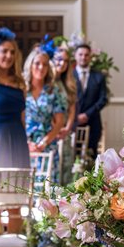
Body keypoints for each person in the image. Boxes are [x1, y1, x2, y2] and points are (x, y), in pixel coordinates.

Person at [0, 27, 30, 169]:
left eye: (12, 52)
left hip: (18, 137)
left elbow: (23, 117)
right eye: (4, 51)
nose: (9, 56)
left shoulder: (19, 82)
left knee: (19, 183)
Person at [24, 46, 66, 182]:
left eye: (45, 65)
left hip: (47, 145)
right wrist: (28, 143)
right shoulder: (21, 90)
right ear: (30, 65)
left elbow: (59, 122)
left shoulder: (53, 91)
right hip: (25, 145)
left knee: (47, 191)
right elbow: (18, 118)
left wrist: (43, 143)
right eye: (37, 63)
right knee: (25, 188)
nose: (41, 68)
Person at [74, 43, 108, 158]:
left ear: (90, 57)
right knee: (72, 157)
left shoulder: (99, 76)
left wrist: (87, 114)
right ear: (75, 56)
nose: (83, 57)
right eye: (80, 54)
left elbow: (103, 99)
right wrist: (76, 116)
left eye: (86, 55)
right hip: (72, 123)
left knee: (91, 157)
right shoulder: (68, 75)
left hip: (93, 123)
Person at [52, 46, 79, 183]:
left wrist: (67, 128)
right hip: (51, 132)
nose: (62, 63)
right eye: (59, 59)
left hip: (65, 132)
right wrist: (55, 129)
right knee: (52, 169)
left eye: (66, 61)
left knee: (66, 166)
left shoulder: (68, 82)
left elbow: (72, 109)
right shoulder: (47, 82)